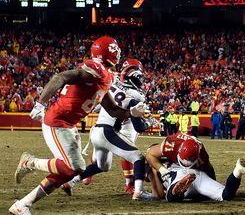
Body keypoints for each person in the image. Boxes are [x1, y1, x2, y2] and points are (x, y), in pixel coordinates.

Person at [10, 36, 148, 214]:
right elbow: (62, 76)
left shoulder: (104, 77)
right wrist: (41, 103)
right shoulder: (96, 69)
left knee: (69, 172)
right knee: (73, 167)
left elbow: (114, 110)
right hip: (57, 121)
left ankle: (22, 205)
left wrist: (132, 113)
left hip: (68, 125)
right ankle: (30, 163)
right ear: (110, 52)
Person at [62, 60, 156, 200]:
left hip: (96, 132)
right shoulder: (135, 97)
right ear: (134, 78)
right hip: (108, 132)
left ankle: (71, 182)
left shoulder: (112, 87)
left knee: (102, 166)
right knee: (138, 157)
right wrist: (149, 122)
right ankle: (139, 192)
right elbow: (139, 127)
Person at [164, 158, 245, 202]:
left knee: (171, 197)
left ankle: (176, 191)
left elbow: (158, 192)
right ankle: (237, 171)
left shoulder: (158, 165)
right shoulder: (174, 154)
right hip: (198, 174)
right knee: (225, 195)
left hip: (179, 174)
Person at [145, 133, 216, 183]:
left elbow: (209, 169)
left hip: (191, 158)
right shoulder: (171, 145)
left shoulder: (202, 156)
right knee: (151, 166)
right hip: (171, 154)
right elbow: (150, 154)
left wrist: (213, 182)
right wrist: (163, 171)